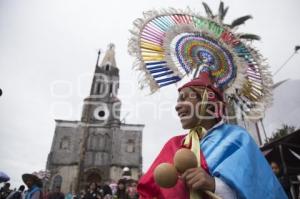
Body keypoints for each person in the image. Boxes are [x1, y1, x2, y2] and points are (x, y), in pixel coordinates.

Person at [137, 72, 288, 199]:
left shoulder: (237, 139)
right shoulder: (173, 145)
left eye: (184, 98)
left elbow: (261, 192)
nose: (177, 106)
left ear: (208, 104)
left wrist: (214, 184)